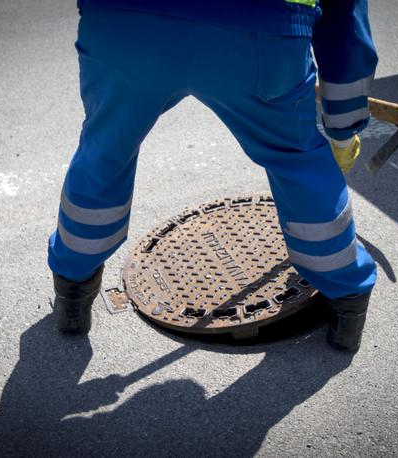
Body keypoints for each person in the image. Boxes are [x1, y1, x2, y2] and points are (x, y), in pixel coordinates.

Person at [48, 0, 378, 352]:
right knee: (296, 159)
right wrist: (343, 128)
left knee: (104, 150)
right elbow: (345, 25)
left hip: (124, 23)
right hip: (256, 29)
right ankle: (347, 304)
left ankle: (72, 292)